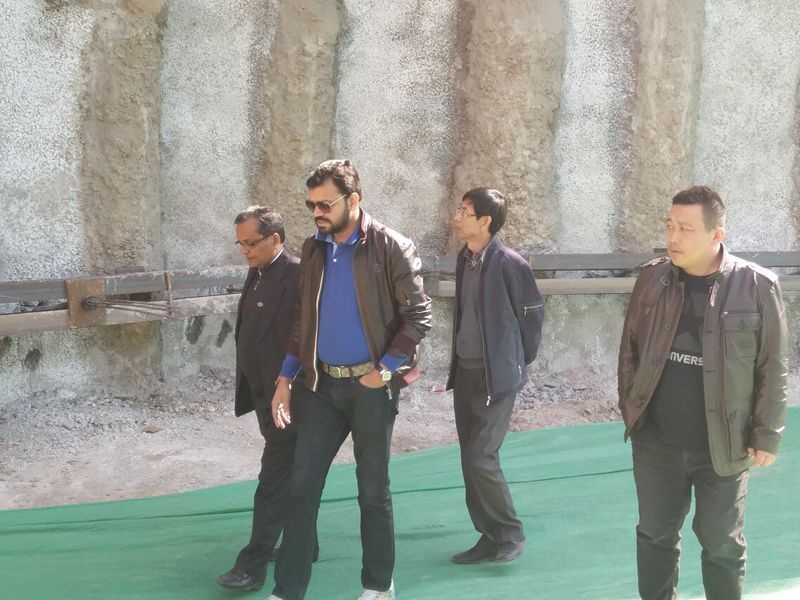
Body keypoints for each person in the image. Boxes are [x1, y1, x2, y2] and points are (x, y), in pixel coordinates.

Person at [266, 159, 432, 600]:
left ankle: (378, 586)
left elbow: (419, 316)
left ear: (353, 200)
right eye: (310, 205)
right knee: (301, 488)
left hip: (370, 389)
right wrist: (285, 378)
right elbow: (303, 319)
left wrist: (384, 371)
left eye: (325, 204)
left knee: (372, 491)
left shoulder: (391, 246)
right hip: (320, 388)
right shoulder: (314, 248)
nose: (316, 212)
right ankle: (287, 591)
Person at [618, 185, 789, 600]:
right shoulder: (651, 278)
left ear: (716, 234)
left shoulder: (757, 285)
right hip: (656, 442)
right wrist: (632, 409)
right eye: (669, 226)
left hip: (724, 445)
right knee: (655, 536)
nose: (673, 237)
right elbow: (630, 352)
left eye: (685, 229)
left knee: (722, 545)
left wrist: (767, 432)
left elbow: (773, 365)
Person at [446, 187, 544, 565]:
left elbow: (532, 317)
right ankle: (487, 536)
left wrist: (513, 361)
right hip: (466, 372)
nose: (457, 217)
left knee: (481, 456)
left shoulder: (509, 264)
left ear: (485, 221)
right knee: (469, 459)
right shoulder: (465, 259)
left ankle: (510, 533)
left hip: (496, 377)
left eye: (465, 211)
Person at [216, 206, 304, 592]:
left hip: (289, 398)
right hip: (263, 393)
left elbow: (306, 338)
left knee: (272, 480)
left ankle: (251, 566)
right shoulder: (259, 269)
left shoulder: (298, 274)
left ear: (275, 239)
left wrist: (288, 386)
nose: (244, 251)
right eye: (240, 243)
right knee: (290, 474)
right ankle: (305, 544)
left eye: (251, 243)